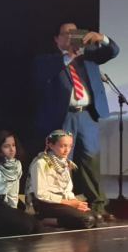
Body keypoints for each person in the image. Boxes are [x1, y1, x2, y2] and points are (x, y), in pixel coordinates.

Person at [33, 23, 119, 222]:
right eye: (67, 33)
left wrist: (101, 38)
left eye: (75, 33)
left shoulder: (88, 56)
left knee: (91, 160)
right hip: (63, 116)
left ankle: (99, 206)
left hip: (87, 115)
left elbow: (113, 51)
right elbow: (41, 76)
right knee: (61, 162)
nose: (72, 36)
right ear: (57, 39)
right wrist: (68, 56)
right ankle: (63, 209)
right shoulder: (48, 60)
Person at [25, 130, 96, 229]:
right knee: (87, 220)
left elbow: (67, 189)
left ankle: (60, 218)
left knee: (97, 218)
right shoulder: (41, 163)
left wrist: (76, 203)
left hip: (63, 202)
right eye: (63, 146)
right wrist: (69, 203)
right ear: (51, 145)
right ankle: (45, 220)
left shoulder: (65, 163)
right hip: (46, 204)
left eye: (70, 146)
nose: (67, 150)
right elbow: (41, 194)